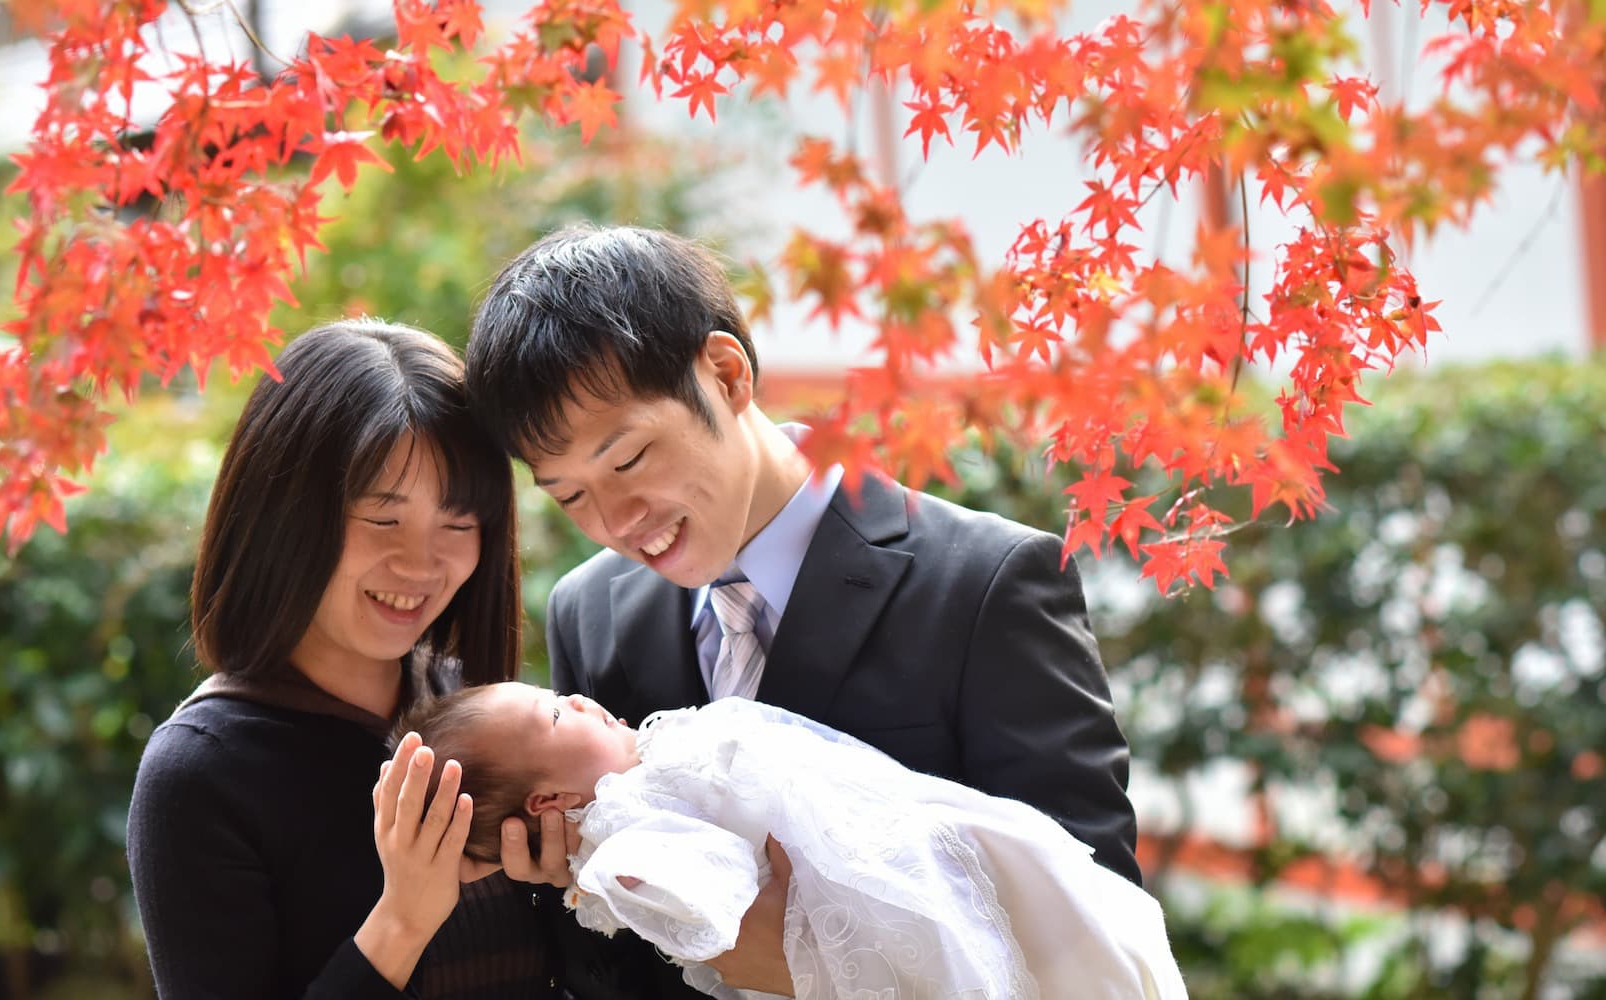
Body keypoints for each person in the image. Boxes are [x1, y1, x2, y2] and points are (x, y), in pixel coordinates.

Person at [464, 225, 1143, 997]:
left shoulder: (986, 583)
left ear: (725, 374)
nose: (618, 520)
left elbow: (1096, 926)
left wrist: (799, 968)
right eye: (572, 495)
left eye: (629, 459)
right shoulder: (592, 611)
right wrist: (577, 885)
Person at [126, 320, 560, 999]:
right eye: (383, 519)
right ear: (285, 517)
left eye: (456, 524)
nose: (420, 564)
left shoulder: (472, 711)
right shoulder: (203, 776)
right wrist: (403, 921)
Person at [399, 683, 1186, 1000]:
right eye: (554, 715)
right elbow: (706, 908)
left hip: (924, 835)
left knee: (1055, 906)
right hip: (875, 907)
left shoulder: (654, 752)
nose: (575, 695)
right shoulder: (622, 830)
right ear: (549, 800)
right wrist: (590, 880)